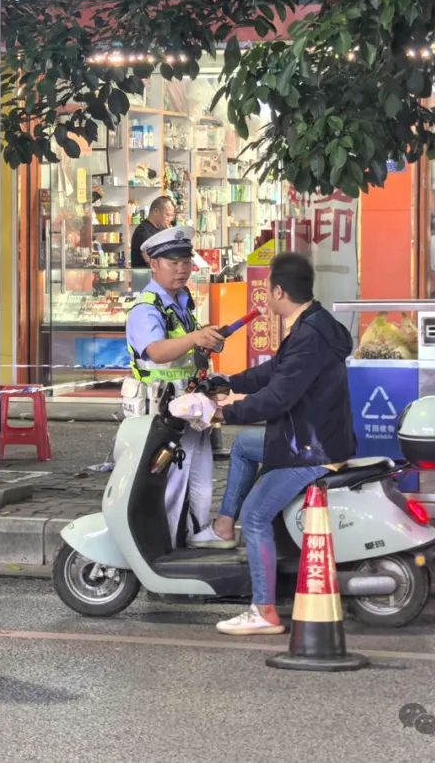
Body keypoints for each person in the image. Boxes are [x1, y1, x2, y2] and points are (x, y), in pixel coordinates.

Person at [205, 252, 356, 635]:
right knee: (244, 446)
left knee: (256, 515)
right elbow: (275, 371)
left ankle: (264, 610)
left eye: (268, 289)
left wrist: (222, 414)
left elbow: (277, 398)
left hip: (311, 447)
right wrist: (228, 382)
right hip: (309, 435)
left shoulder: (308, 336)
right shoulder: (313, 322)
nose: (265, 296)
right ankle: (223, 526)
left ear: (278, 292)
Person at [124, 226, 229, 548]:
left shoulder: (181, 302)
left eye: (186, 261)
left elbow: (185, 353)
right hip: (162, 414)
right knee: (171, 481)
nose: (182, 268)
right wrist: (195, 338)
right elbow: (156, 351)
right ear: (154, 264)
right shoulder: (146, 308)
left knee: (199, 477)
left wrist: (206, 343)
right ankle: (164, 546)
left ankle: (196, 534)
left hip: (189, 410)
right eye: (173, 262)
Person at [129, 195, 176, 269]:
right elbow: (152, 263)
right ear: (156, 211)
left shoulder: (161, 229)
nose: (170, 219)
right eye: (167, 215)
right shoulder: (143, 231)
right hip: (145, 275)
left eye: (171, 216)